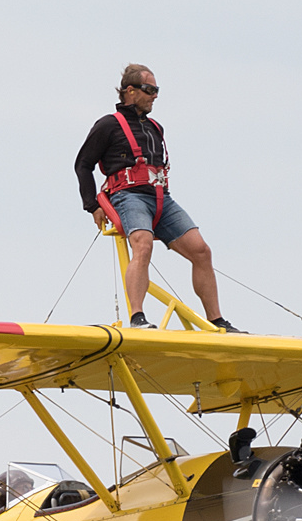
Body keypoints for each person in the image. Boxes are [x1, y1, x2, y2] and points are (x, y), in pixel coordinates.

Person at [74, 64, 242, 332]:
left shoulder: (155, 127)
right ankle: (138, 317)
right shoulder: (108, 125)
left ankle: (217, 321)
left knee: (201, 251)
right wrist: (91, 206)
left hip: (161, 198)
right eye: (150, 90)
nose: (155, 96)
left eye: (156, 90)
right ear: (130, 91)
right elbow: (83, 164)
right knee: (142, 244)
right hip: (128, 196)